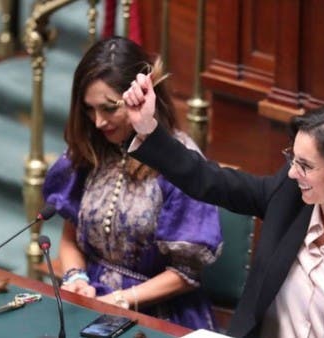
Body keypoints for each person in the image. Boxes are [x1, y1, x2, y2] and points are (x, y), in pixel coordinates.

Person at [122, 74, 324, 337]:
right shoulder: (288, 197)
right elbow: (211, 180)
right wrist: (148, 128)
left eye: (306, 166)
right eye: (292, 159)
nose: (293, 172)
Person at [42, 36, 222, 330]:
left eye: (109, 108)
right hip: (93, 304)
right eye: (89, 109)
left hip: (160, 314)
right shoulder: (91, 149)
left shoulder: (179, 162)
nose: (98, 122)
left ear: (141, 98)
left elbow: (187, 273)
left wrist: (124, 299)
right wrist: (76, 277)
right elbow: (70, 237)